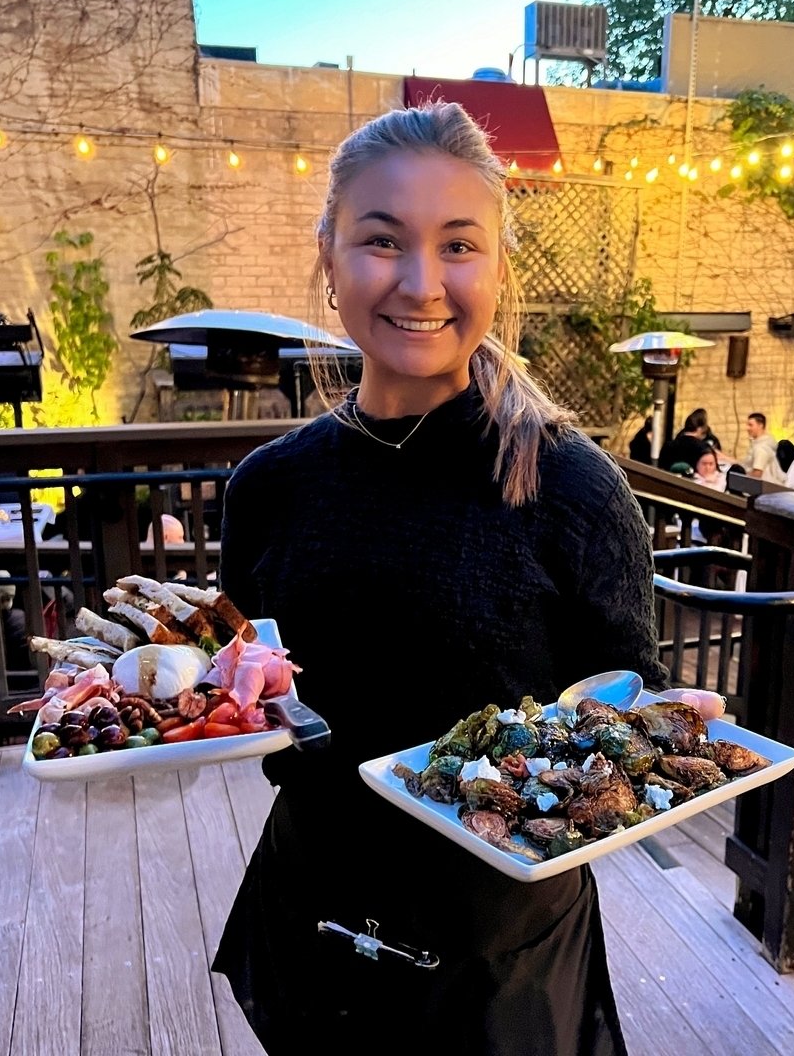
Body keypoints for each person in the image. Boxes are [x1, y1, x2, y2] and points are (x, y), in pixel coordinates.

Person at [212, 100, 669, 1055]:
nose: (422, 283)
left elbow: (626, 707)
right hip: (313, 902)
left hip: (497, 945)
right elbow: (262, 678)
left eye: (459, 245)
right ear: (330, 258)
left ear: (499, 268)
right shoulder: (269, 487)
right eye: (383, 241)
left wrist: (650, 737)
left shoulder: (573, 489)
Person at [740, 411, 777, 479]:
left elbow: (757, 475)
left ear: (760, 425)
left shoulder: (762, 448)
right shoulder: (758, 444)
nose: (747, 428)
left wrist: (740, 478)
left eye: (750, 425)